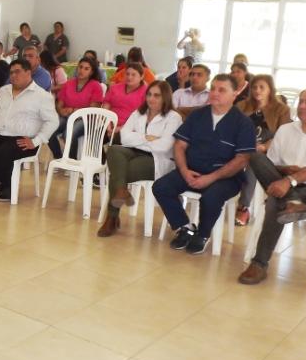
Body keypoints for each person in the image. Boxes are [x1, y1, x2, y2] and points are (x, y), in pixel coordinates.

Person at [152, 74, 256, 255]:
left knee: (211, 197)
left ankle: (202, 234)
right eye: (213, 88)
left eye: (222, 90)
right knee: (161, 187)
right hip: (191, 170)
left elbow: (241, 159)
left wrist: (211, 178)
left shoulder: (243, 123)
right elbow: (179, 145)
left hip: (225, 177)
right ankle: (184, 227)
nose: (215, 93)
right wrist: (184, 171)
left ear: (234, 95)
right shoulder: (197, 116)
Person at [237, 89, 306, 284]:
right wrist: (285, 171)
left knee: (275, 201)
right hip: (285, 183)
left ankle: (259, 263)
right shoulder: (285, 130)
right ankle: (292, 201)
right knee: (256, 156)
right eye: (300, 102)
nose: (301, 106)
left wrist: (289, 181)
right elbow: (272, 164)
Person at [98, 81, 182, 237]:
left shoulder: (173, 117)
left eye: (156, 95)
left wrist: (137, 138)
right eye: (149, 94)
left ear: (165, 97)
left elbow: (164, 146)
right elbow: (123, 137)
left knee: (119, 173)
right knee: (114, 149)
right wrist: (148, 138)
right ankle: (121, 194)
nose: (151, 99)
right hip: (132, 152)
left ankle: (112, 217)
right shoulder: (139, 112)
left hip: (157, 160)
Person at [0, 59, 58, 201]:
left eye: (17, 72)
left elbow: (53, 121)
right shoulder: (4, 90)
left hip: (24, 139)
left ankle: (8, 187)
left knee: (2, 153)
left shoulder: (42, 96)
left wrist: (36, 141)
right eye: (11, 73)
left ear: (28, 73)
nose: (13, 76)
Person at [234, 74, 293, 225]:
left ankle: (243, 206)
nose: (257, 91)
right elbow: (232, 129)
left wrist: (264, 146)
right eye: (254, 87)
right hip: (241, 146)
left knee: (253, 162)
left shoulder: (281, 109)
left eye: (262, 87)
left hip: (267, 150)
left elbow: (283, 136)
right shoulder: (242, 106)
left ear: (270, 90)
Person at [49, 56, 105, 160]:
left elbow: (93, 109)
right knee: (49, 129)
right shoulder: (69, 83)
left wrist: (74, 111)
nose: (82, 70)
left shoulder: (95, 86)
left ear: (91, 72)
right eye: (80, 67)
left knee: (69, 133)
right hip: (66, 116)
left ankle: (72, 162)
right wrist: (61, 110)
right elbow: (59, 103)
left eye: (86, 68)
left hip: (86, 119)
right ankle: (58, 157)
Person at [102, 62, 147, 130]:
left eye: (133, 75)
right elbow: (106, 105)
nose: (129, 77)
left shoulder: (147, 92)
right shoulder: (115, 87)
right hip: (108, 123)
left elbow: (144, 117)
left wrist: (120, 129)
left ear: (141, 76)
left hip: (131, 128)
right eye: (127, 74)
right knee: (92, 137)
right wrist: (107, 123)